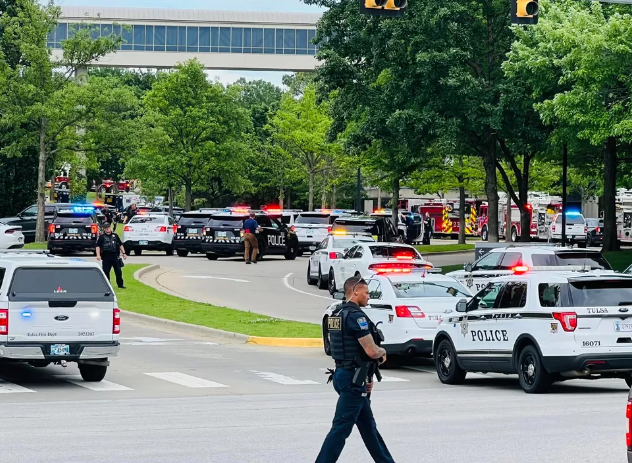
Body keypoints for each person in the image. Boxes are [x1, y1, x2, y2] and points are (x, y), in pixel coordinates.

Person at [315, 276, 395, 463]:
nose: (369, 296)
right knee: (340, 429)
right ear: (355, 291)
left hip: (344, 375)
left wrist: (366, 379)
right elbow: (371, 350)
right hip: (352, 381)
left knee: (369, 428)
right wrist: (383, 351)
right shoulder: (356, 316)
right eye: (366, 292)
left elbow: (342, 348)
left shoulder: (336, 314)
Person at [96, 222, 127, 289]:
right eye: (106, 228)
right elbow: (98, 246)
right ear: (104, 229)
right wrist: (98, 255)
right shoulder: (102, 237)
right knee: (106, 271)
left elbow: (120, 245)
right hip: (106, 256)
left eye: (108, 227)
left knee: (118, 271)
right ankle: (107, 285)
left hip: (115, 256)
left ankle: (120, 285)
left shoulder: (115, 236)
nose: (108, 229)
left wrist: (124, 253)